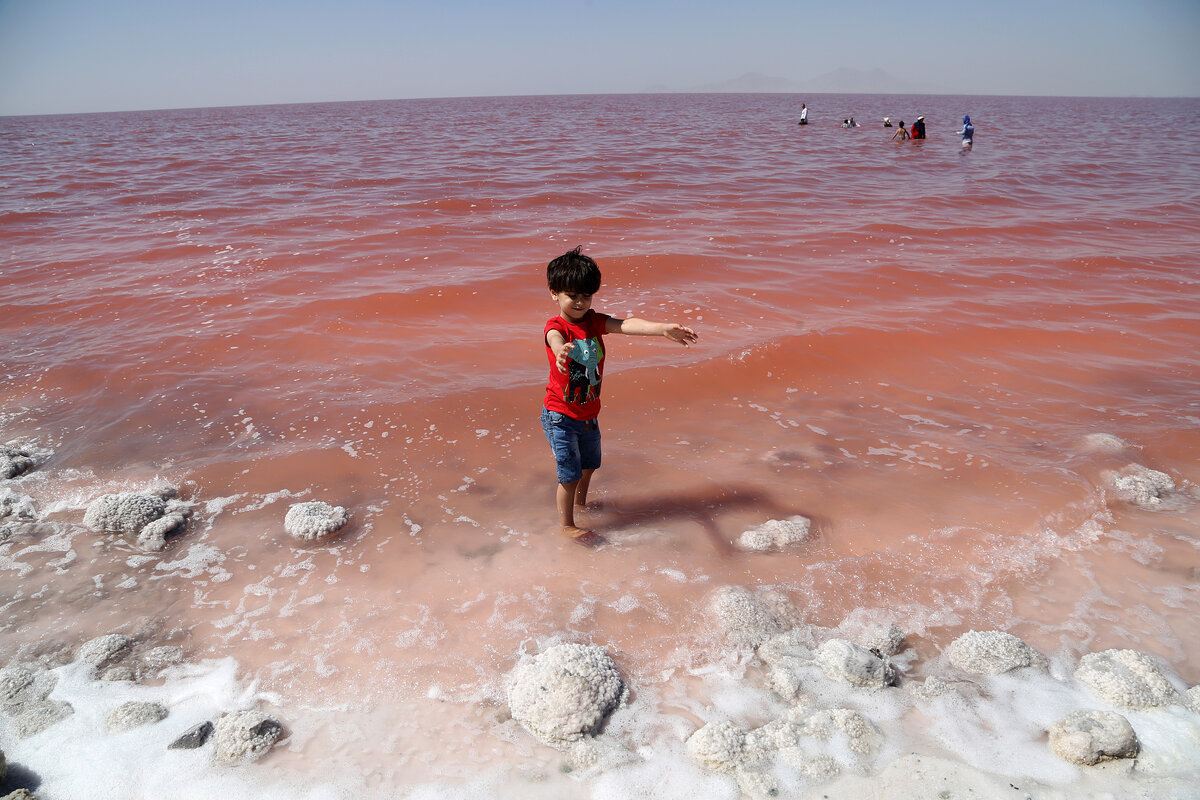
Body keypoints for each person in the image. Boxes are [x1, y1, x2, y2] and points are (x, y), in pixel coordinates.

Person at [541, 247, 698, 544]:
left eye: (586, 296)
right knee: (569, 474)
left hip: (589, 414)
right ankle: (567, 525)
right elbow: (554, 337)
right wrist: (561, 350)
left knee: (589, 466)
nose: (580, 302)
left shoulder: (594, 321)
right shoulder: (556, 326)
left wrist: (662, 329)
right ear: (554, 293)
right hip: (560, 415)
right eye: (572, 296)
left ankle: (581, 505)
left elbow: (627, 324)